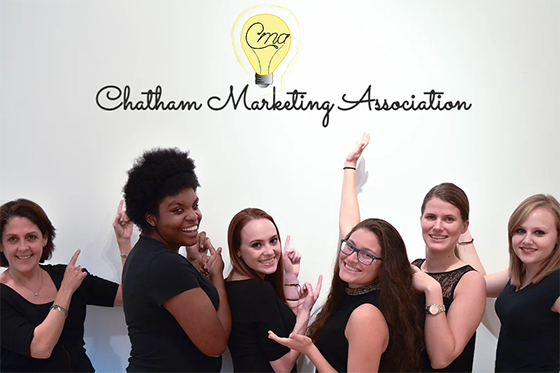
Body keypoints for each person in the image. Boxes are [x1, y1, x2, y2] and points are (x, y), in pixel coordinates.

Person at [338, 133, 486, 373]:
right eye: (431, 217)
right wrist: (349, 166)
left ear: (464, 226)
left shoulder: (470, 281)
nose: (438, 226)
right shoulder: (412, 268)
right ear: (421, 220)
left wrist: (432, 289)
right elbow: (352, 232)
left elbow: (441, 358)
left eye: (448, 219)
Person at [121, 147, 231, 373]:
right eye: (178, 209)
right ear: (151, 218)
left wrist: (193, 266)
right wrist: (217, 277)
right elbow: (215, 344)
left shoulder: (146, 254)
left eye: (195, 205)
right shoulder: (164, 265)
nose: (193, 216)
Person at [270, 218, 423, 373]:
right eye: (350, 246)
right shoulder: (348, 295)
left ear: (385, 266)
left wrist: (310, 350)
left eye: (366, 255)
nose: (351, 258)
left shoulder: (366, 315)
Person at [0, 198, 131, 373]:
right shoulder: (67, 282)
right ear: (1, 245)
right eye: (12, 239)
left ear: (44, 238)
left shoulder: (66, 275)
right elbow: (40, 348)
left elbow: (128, 296)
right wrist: (66, 290)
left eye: (31, 237)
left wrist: (124, 243)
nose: (23, 247)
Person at [458, 194, 560, 373]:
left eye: (539, 232)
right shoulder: (517, 275)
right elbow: (476, 282)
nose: (527, 240)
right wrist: (462, 229)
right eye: (520, 230)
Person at [225, 208, 322, 373]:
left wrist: (291, 277)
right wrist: (305, 314)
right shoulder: (257, 290)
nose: (269, 251)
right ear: (237, 251)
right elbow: (283, 367)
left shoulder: (231, 284)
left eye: (273, 241)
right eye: (257, 245)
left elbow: (282, 330)